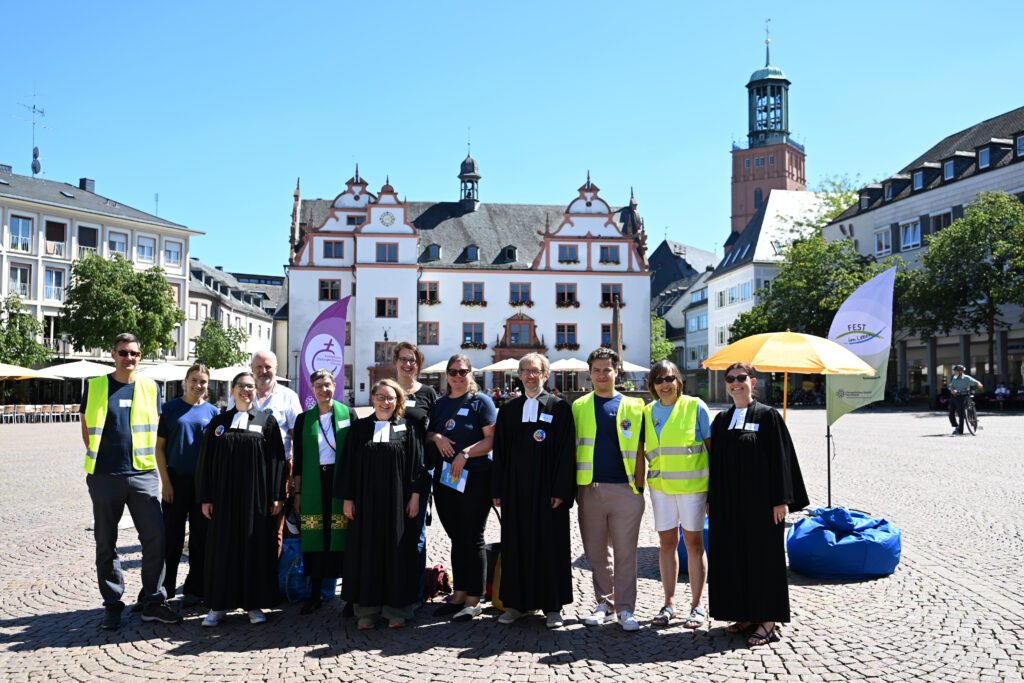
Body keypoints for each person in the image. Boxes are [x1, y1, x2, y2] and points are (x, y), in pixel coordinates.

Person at [81, 332, 181, 630]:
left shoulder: (151, 388)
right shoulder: (95, 386)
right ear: (113, 354)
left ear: (140, 356)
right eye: (123, 352)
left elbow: (158, 432)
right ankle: (112, 604)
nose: (129, 358)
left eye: (134, 353)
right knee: (105, 542)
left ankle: (153, 601)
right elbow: (86, 429)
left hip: (143, 473)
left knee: (155, 538)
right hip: (104, 475)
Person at [708, 362, 809, 647]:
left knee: (763, 560)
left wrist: (781, 500)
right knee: (734, 557)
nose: (735, 383)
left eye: (741, 378)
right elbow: (714, 465)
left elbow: (782, 459)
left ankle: (767, 620)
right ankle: (744, 614)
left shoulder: (768, 416)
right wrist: (711, 499)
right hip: (729, 504)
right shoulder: (722, 419)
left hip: (762, 505)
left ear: (753, 382)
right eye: (730, 379)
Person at [491, 353, 576, 629]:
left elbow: (566, 453)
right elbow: (500, 452)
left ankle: (553, 606)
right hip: (515, 492)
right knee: (516, 545)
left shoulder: (559, 408)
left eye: (535, 371)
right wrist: (498, 488)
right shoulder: (509, 410)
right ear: (518, 375)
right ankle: (516, 604)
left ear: (545, 375)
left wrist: (561, 490)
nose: (530, 375)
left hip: (548, 492)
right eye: (525, 371)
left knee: (550, 546)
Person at [197, 371, 287, 627]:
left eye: (250, 386)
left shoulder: (266, 422)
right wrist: (206, 496)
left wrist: (277, 496)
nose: (246, 390)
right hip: (223, 499)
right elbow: (207, 461)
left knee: (253, 547)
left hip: (255, 499)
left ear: (256, 391)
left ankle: (253, 604)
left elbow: (276, 461)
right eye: (241, 386)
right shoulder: (219, 422)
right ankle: (218, 605)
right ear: (233, 390)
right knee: (222, 549)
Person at [338, 379, 426, 629]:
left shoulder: (408, 428)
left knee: (397, 552)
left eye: (391, 398)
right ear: (373, 398)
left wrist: (416, 497)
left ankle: (396, 609)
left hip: (398, 504)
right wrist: (348, 499)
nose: (385, 402)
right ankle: (367, 608)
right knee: (366, 552)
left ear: (398, 401)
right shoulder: (359, 429)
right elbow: (347, 466)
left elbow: (418, 465)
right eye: (380, 397)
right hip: (365, 505)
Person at [572, 347, 646, 632]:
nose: (602, 374)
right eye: (597, 370)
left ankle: (626, 608)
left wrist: (639, 486)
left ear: (617, 372)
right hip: (589, 489)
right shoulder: (578, 407)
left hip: (625, 490)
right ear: (589, 373)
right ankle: (604, 602)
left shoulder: (635, 407)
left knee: (626, 553)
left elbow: (642, 448)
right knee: (596, 554)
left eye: (607, 369)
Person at [427, 354, 497, 622]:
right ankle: (459, 593)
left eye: (463, 371)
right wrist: (437, 436)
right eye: (453, 372)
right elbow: (427, 433)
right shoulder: (440, 404)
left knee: (473, 536)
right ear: (447, 375)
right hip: (445, 480)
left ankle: (474, 597)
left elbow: (492, 440)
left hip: (476, 477)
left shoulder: (482, 402)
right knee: (456, 536)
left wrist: (465, 453)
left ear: (471, 374)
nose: (458, 376)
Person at [642, 360, 711, 629]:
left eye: (669, 378)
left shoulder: (695, 406)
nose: (664, 384)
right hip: (661, 489)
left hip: (693, 488)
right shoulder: (648, 412)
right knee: (666, 545)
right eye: (658, 380)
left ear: (678, 380)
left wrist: (714, 491)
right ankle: (669, 603)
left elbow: (711, 448)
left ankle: (697, 606)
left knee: (694, 545)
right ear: (652, 384)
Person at [155, 363, 219, 608]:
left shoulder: (213, 413)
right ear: (185, 381)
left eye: (203, 381)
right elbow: (159, 448)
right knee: (170, 537)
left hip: (203, 485)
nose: (198, 385)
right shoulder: (170, 409)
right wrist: (166, 483)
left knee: (200, 540)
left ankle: (195, 588)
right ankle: (165, 588)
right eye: (194, 380)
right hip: (175, 481)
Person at [292, 369, 351, 615]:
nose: (323, 389)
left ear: (334, 386)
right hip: (315, 482)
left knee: (344, 536)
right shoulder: (304, 419)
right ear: (312, 389)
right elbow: (299, 457)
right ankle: (314, 594)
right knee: (315, 536)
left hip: (341, 481)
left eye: (327, 385)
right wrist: (298, 492)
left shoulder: (349, 414)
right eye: (318, 385)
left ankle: (349, 597)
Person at [392, 342, 438, 605]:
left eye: (413, 360)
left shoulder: (428, 393)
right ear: (395, 362)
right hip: (389, 471)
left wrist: (438, 437)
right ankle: (391, 586)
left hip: (419, 470)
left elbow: (434, 428)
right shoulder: (387, 391)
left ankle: (415, 592)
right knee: (390, 530)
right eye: (404, 359)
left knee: (416, 533)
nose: (408, 364)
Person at [251, 350, 303, 554]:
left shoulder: (288, 397)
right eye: (259, 367)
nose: (263, 371)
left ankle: (272, 581)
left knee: (275, 526)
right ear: (252, 369)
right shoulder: (243, 393)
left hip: (279, 470)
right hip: (248, 470)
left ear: (276, 369)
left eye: (268, 367)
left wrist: (295, 477)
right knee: (250, 523)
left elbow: (298, 439)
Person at [948, 364, 983, 435]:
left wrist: (979, 384)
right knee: (951, 413)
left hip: (963, 396)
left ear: (961, 371)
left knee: (961, 414)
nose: (955, 372)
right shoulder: (954, 377)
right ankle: (956, 426)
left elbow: (976, 382)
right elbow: (951, 385)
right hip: (954, 396)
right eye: (955, 371)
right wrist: (952, 390)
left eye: (956, 371)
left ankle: (960, 430)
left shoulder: (967, 378)